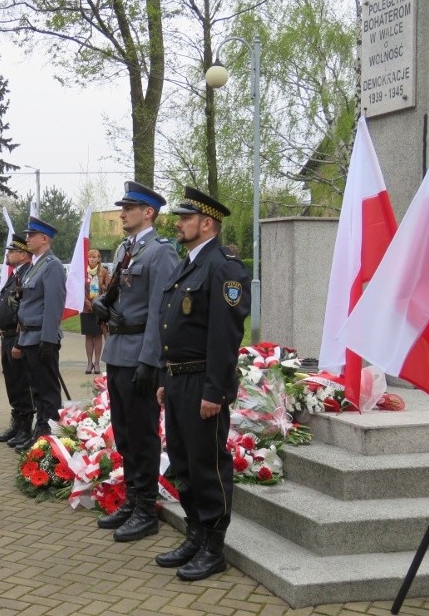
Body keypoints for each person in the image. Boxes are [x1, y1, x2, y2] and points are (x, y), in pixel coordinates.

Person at [154, 186, 250, 581]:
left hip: (201, 384)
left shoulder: (223, 266)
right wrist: (164, 376)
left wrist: (215, 390)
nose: (178, 224)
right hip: (178, 381)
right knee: (182, 461)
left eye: (185, 218)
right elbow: (170, 326)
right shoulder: (189, 263)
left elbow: (224, 336)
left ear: (206, 223)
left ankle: (214, 546)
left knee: (207, 465)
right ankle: (195, 532)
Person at [92, 181, 180, 542]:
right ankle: (132, 498)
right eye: (122, 207)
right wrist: (104, 306)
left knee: (143, 435)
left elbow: (163, 310)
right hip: (118, 352)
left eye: (129, 208)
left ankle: (146, 508)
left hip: (140, 356)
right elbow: (122, 298)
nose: (122, 213)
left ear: (148, 213)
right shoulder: (125, 249)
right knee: (125, 433)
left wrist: (151, 360)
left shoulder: (161, 253)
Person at [12, 217, 66, 452]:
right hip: (28, 337)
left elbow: (54, 305)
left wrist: (48, 338)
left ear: (44, 239)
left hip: (41, 338)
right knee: (36, 388)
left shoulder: (52, 265)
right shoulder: (36, 265)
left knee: (47, 390)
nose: (27, 239)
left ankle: (49, 434)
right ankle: (40, 429)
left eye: (31, 235)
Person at [0, 234, 34, 446]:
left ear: (23, 255)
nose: (7, 255)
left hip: (18, 336)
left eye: (11, 251)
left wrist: (19, 341)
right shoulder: (16, 274)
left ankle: (26, 428)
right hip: (7, 336)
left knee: (21, 382)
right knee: (12, 383)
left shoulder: (27, 275)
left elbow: (24, 310)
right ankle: (17, 424)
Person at [81, 248, 110, 374]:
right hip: (86, 308)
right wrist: (85, 301)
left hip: (99, 308)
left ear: (99, 259)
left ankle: (97, 362)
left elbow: (109, 289)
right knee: (88, 335)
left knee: (98, 335)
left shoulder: (103, 272)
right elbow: (77, 288)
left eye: (94, 257)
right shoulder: (83, 272)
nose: (92, 259)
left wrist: (104, 288)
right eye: (90, 257)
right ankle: (89, 362)